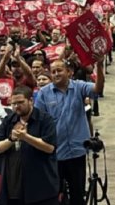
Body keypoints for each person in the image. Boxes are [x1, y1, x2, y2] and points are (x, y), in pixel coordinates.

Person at [34, 55, 105, 205]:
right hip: (54, 153)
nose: (56, 74)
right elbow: (39, 120)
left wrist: (99, 65)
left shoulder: (79, 87)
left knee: (77, 194)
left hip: (76, 151)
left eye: (59, 70)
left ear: (69, 72)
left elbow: (97, 89)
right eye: (53, 72)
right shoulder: (44, 93)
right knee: (55, 195)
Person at [0, 85, 60, 205]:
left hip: (41, 185)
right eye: (13, 103)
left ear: (31, 100)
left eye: (20, 102)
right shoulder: (8, 120)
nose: (16, 106)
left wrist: (25, 137)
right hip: (13, 183)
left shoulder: (45, 119)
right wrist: (11, 139)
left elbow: (49, 148)